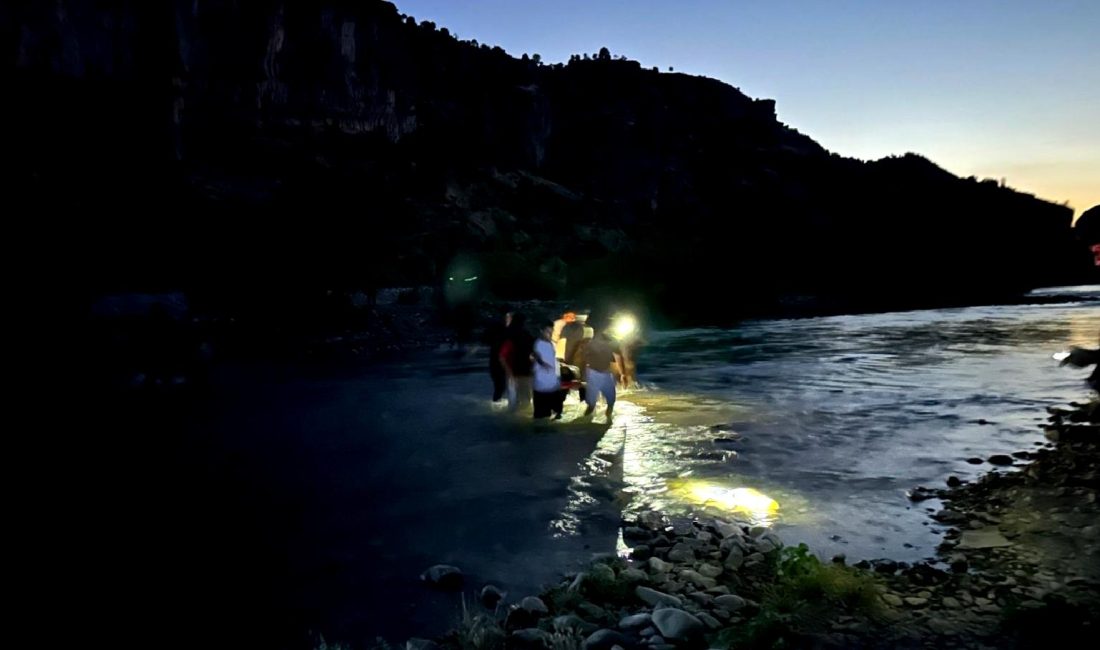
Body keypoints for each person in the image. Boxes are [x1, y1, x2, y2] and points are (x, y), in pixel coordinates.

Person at [583, 326, 624, 418]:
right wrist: (621, 375)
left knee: (599, 404)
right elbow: (616, 360)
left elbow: (614, 361)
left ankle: (586, 425)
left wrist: (620, 374)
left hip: (599, 374)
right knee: (604, 404)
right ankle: (607, 422)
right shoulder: (608, 343)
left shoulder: (593, 343)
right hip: (598, 374)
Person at [500, 312, 534, 412]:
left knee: (513, 403)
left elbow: (502, 357)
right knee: (526, 401)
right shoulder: (527, 335)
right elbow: (533, 354)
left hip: (513, 372)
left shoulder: (508, 334)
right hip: (525, 372)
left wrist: (508, 372)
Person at [532, 322, 565, 419]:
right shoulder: (538, 343)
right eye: (547, 332)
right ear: (541, 331)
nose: (550, 334)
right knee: (542, 416)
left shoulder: (551, 344)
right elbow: (535, 355)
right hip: (541, 387)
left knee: (557, 414)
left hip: (554, 385)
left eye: (551, 332)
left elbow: (553, 360)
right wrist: (541, 363)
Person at [484, 308, 512, 402]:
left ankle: (498, 402)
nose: (507, 319)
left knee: (502, 386)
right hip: (497, 363)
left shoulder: (506, 331)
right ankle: (497, 403)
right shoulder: (500, 331)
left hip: (500, 362)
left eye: (508, 317)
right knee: (500, 386)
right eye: (506, 317)